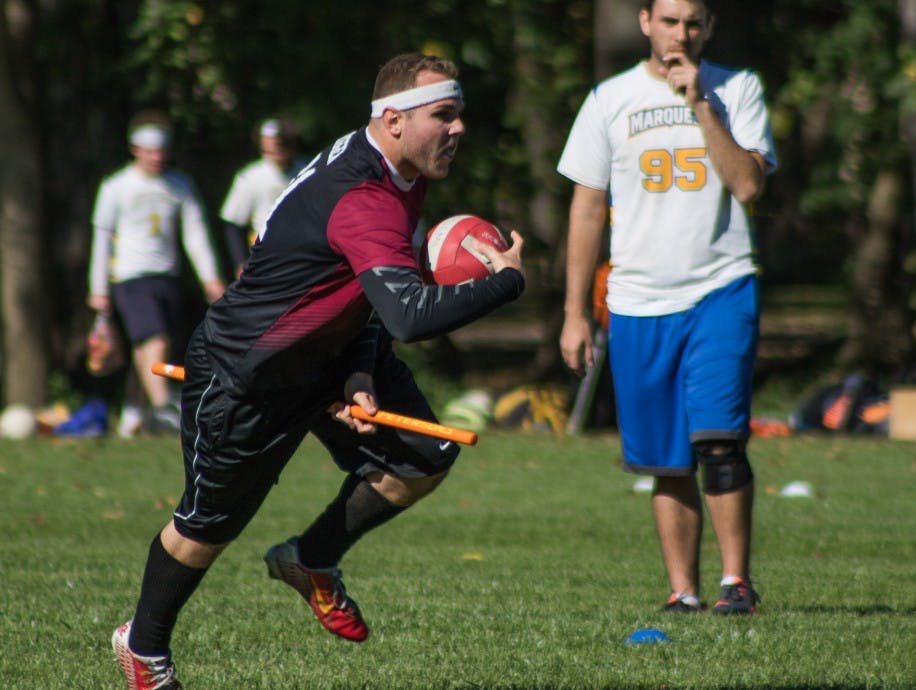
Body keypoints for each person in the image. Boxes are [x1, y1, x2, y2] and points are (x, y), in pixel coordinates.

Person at [112, 53, 525, 690]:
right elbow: (411, 314)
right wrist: (506, 283)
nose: (459, 128)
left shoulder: (401, 169)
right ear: (393, 120)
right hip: (250, 372)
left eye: (459, 114)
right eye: (444, 114)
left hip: (330, 350)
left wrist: (358, 364)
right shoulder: (363, 196)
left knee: (424, 455)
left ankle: (311, 558)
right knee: (207, 528)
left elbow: (360, 289)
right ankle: (143, 645)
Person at [557, 0, 777, 615]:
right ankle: (683, 592)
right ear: (645, 21)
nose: (683, 33)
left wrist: (702, 103)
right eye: (671, 20)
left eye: (695, 22)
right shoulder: (608, 99)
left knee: (718, 441)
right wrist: (575, 311)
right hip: (636, 300)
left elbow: (749, 184)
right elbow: (586, 208)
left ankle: (736, 584)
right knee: (665, 457)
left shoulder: (739, 88)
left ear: (709, 27)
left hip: (721, 287)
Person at [88, 111, 226, 437]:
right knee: (155, 339)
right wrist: (98, 289)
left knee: (143, 349)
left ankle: (132, 417)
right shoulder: (116, 187)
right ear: (135, 149)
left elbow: (195, 234)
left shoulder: (179, 186)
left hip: (166, 276)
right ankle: (165, 410)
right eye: (149, 151)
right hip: (130, 277)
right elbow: (102, 239)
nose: (156, 157)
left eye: (161, 150)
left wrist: (211, 277)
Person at [219, 117, 307, 277]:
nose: (279, 149)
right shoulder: (251, 176)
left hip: (302, 260)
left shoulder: (308, 170)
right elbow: (233, 223)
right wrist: (240, 262)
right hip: (265, 261)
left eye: (284, 144)